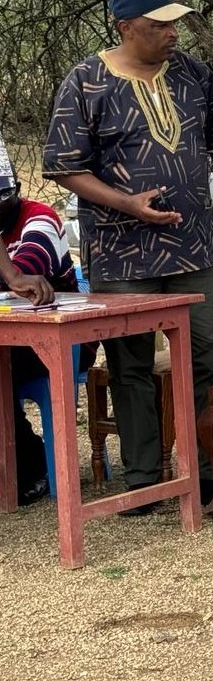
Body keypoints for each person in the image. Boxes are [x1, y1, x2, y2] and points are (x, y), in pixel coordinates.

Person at [42, 0, 213, 515]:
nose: (172, 34)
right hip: (121, 252)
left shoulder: (194, 74)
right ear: (125, 27)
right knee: (130, 365)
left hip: (194, 249)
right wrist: (126, 203)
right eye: (159, 26)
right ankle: (143, 479)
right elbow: (64, 166)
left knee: (210, 360)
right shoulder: (86, 81)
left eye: (175, 23)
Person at [0, 131, 91, 505]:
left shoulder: (39, 218)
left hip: (61, 342)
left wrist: (10, 274)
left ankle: (30, 465)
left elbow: (29, 269)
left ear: (17, 190)